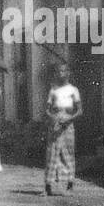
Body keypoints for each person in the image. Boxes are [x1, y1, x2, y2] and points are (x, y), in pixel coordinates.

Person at [44, 62, 82, 195]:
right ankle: (48, 186)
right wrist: (53, 118)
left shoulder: (73, 90)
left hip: (68, 122)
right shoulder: (53, 90)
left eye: (63, 71)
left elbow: (79, 111)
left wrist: (68, 119)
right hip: (55, 122)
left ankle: (70, 184)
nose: (61, 74)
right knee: (52, 152)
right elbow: (47, 110)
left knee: (68, 153)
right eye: (58, 71)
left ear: (68, 73)